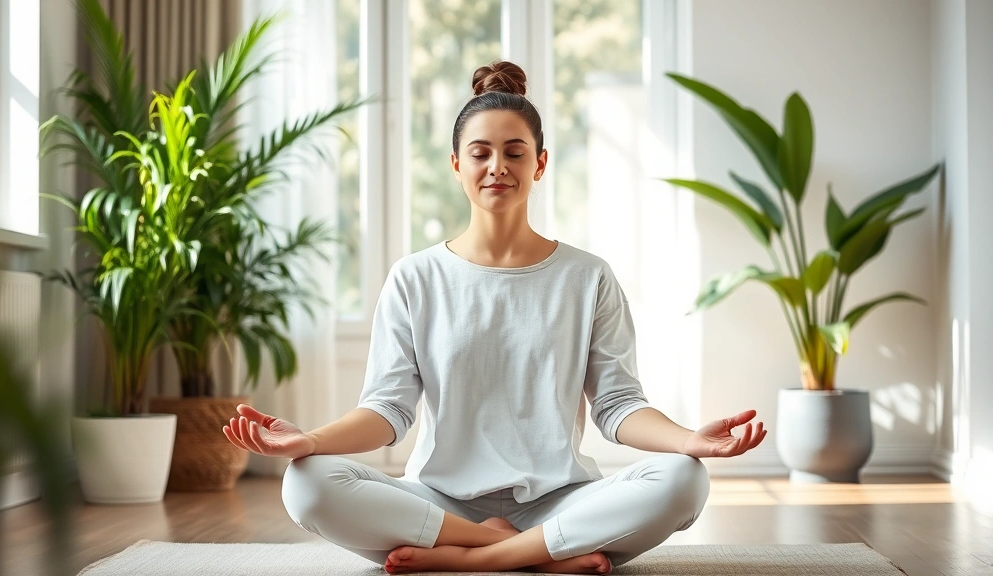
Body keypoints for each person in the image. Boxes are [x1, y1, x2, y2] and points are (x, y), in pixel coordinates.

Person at [223, 60, 766, 575]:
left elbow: (618, 406)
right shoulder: (415, 278)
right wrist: (310, 442)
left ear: (540, 163)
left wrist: (689, 439)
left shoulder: (588, 277)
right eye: (480, 153)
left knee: (682, 479)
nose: (497, 168)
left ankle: (471, 560)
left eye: (514, 152)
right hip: (440, 504)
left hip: (561, 502)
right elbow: (387, 411)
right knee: (306, 484)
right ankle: (518, 551)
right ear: (457, 164)